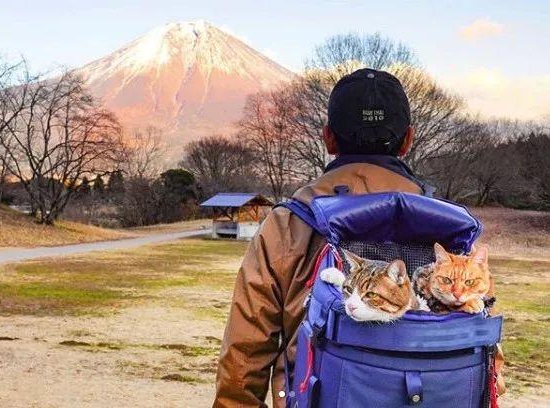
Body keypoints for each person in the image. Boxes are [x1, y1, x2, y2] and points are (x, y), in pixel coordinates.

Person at [213, 68, 502, 408]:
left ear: (328, 138)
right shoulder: (449, 228)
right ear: (408, 140)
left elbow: (245, 354)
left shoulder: (288, 222)